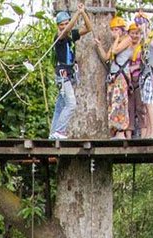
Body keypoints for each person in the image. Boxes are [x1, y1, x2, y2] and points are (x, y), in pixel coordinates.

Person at [49, 3, 93, 140]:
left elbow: (89, 28)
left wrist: (83, 12)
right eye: (61, 24)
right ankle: (60, 131)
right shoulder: (59, 36)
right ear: (58, 26)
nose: (64, 26)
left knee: (60, 105)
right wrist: (77, 14)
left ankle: (53, 132)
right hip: (62, 74)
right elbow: (66, 30)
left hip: (68, 73)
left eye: (66, 23)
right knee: (71, 103)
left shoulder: (71, 36)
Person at [95, 17, 133, 139]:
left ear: (122, 30)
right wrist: (99, 46)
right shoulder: (115, 42)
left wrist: (116, 38)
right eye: (113, 30)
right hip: (113, 76)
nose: (114, 32)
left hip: (122, 76)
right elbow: (106, 57)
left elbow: (116, 51)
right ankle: (115, 131)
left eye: (116, 29)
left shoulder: (127, 39)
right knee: (112, 103)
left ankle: (121, 131)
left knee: (120, 103)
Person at [127, 22, 146, 138]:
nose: (135, 36)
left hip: (139, 78)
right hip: (128, 79)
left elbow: (146, 63)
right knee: (129, 107)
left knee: (140, 107)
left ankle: (143, 133)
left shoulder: (143, 47)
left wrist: (136, 67)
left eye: (137, 33)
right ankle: (129, 133)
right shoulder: (126, 46)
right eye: (132, 33)